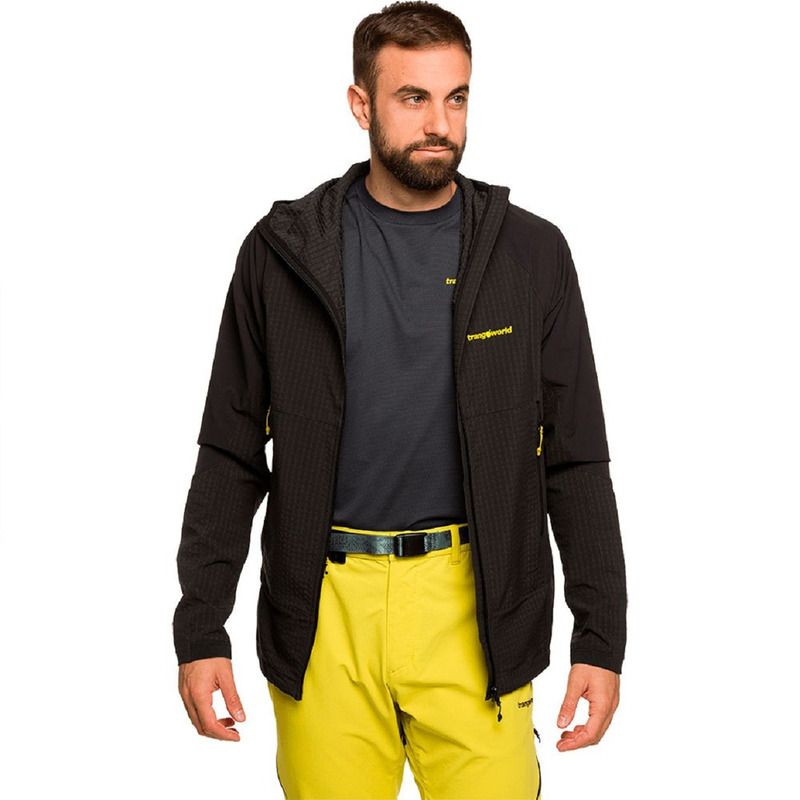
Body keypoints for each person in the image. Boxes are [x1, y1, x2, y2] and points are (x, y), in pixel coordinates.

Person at [173, 2, 627, 798]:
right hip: (324, 613)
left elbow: (576, 458)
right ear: (362, 105)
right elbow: (231, 451)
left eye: (456, 98)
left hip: (476, 608)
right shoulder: (283, 253)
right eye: (413, 98)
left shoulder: (530, 253)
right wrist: (200, 625)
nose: (440, 124)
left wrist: (601, 636)